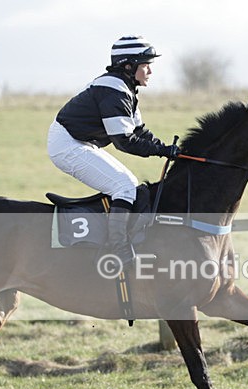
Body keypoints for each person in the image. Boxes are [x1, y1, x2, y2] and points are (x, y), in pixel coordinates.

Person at [47, 35, 178, 267]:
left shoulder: (124, 88)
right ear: (129, 65)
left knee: (128, 183)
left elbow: (139, 131)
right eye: (146, 65)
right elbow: (125, 142)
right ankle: (118, 248)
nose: (150, 71)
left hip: (78, 142)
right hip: (67, 145)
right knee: (124, 185)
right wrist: (161, 151)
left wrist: (169, 149)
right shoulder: (113, 90)